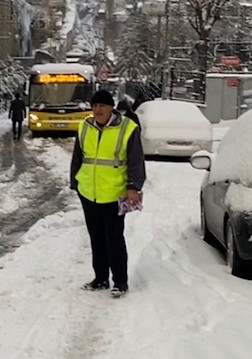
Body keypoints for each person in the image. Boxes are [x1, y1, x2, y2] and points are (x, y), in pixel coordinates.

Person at [69, 89, 146, 298]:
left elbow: (136, 160)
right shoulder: (85, 126)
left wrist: (133, 186)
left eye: (102, 106)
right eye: (94, 106)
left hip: (114, 193)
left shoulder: (128, 128)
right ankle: (100, 278)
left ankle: (120, 281)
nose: (97, 110)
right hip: (89, 192)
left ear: (111, 107)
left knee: (114, 238)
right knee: (96, 238)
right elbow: (78, 156)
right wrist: (74, 181)